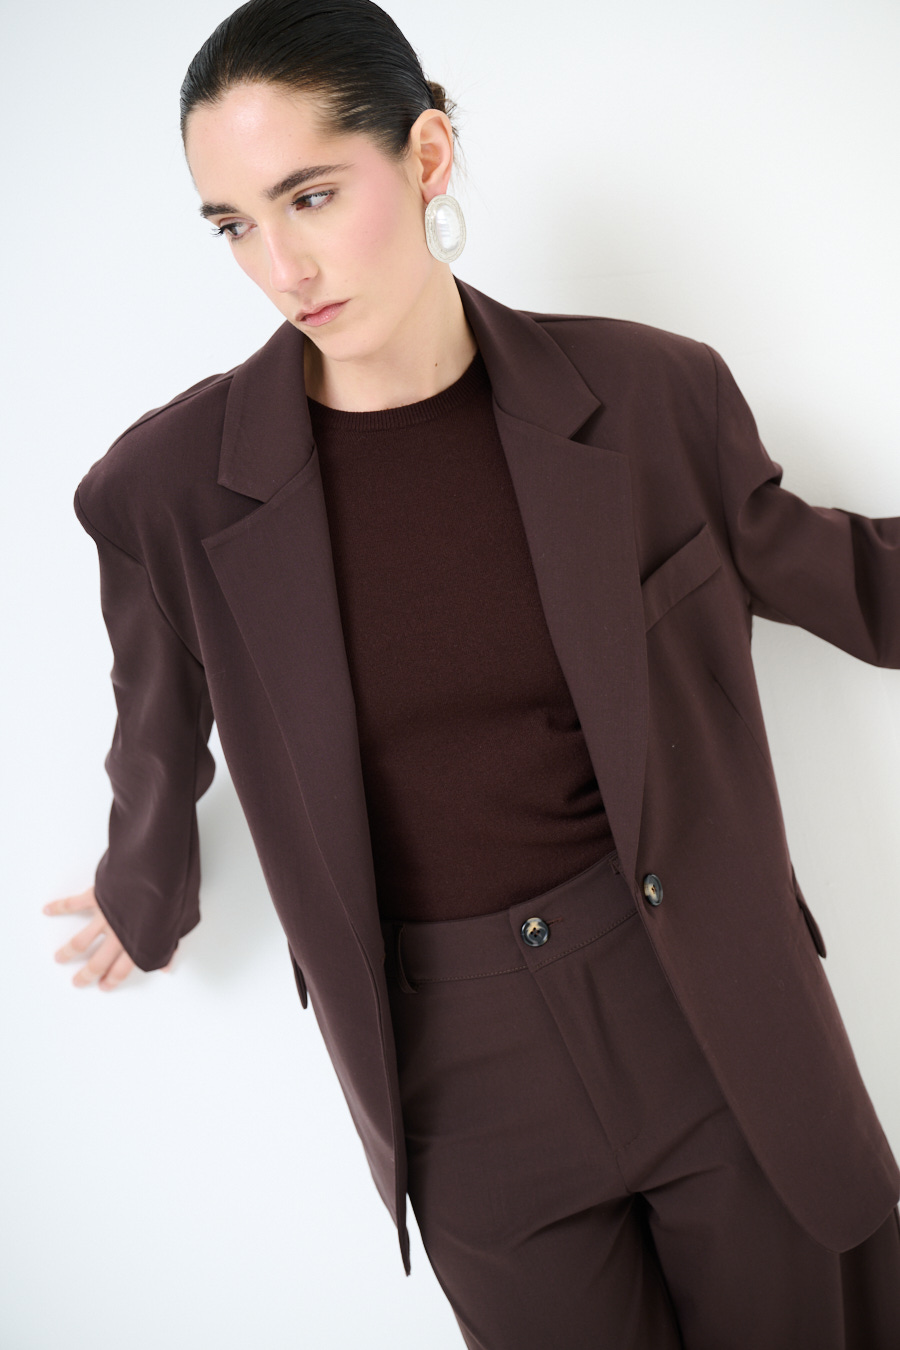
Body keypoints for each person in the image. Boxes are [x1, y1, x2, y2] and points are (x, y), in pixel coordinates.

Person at [43, 0, 900, 1345]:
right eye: (233, 225)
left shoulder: (649, 395)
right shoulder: (168, 492)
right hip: (458, 1078)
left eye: (311, 196)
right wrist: (141, 884)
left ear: (427, 155)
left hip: (712, 1010)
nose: (281, 265)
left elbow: (834, 572)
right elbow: (159, 721)